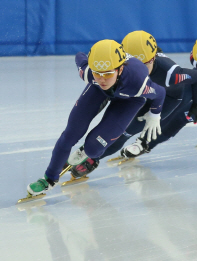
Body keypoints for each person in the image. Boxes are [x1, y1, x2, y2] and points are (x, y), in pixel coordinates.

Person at [26, 39, 166, 196]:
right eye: (97, 73)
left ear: (120, 69)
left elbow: (160, 93)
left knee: (93, 149)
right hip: (98, 91)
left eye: (107, 73)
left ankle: (86, 150)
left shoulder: (138, 82)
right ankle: (49, 180)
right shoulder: (89, 73)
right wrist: (94, 71)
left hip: (130, 99)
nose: (102, 79)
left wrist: (155, 114)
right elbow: (79, 56)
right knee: (69, 135)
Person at [68, 30, 197, 179]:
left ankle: (94, 159)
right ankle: (94, 146)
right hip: (140, 93)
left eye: (142, 64)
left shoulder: (172, 74)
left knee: (126, 131)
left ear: (153, 58)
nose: (136, 67)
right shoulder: (129, 72)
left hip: (167, 98)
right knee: (115, 123)